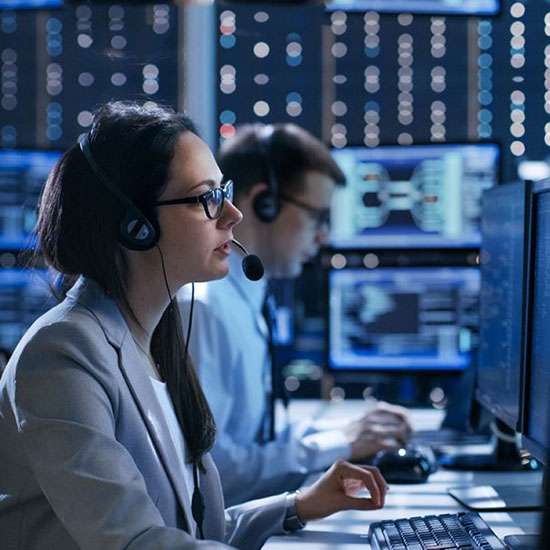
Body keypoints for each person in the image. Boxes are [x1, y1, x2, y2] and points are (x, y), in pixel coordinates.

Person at [0, 102, 389, 550]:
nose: (233, 215)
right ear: (136, 225)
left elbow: (189, 529)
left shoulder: (158, 338)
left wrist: (296, 505)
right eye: (207, 199)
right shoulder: (63, 354)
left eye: (223, 191)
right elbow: (139, 543)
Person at [179, 123, 411, 506]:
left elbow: (257, 437)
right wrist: (342, 443)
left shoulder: (248, 300)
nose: (324, 238)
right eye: (318, 217)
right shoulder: (203, 310)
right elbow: (212, 473)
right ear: (264, 203)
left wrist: (346, 433)